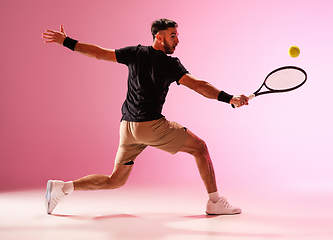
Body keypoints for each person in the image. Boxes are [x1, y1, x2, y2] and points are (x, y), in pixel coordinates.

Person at [41, 18, 248, 215]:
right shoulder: (171, 65)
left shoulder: (135, 53)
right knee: (200, 148)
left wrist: (66, 42)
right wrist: (229, 98)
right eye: (173, 36)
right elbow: (197, 85)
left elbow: (97, 53)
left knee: (116, 180)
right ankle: (214, 203)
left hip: (127, 127)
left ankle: (62, 188)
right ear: (159, 37)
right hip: (150, 126)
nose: (177, 40)